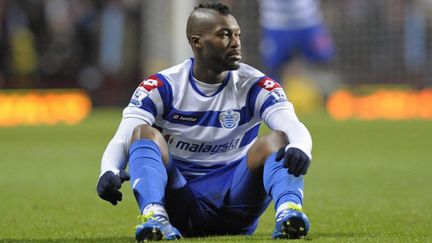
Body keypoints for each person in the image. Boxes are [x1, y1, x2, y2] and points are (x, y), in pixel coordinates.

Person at [96, 2, 312, 241]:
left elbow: (293, 126)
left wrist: (300, 148)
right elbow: (123, 137)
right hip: (182, 204)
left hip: (237, 204)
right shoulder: (162, 87)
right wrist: (108, 171)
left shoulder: (255, 85)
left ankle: (289, 213)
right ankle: (154, 217)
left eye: (237, 34)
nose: (235, 42)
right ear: (197, 41)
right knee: (143, 133)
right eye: (224, 35)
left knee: (280, 139)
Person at [259, 0, 335, 84]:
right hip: (275, 23)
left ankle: (328, 94)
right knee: (273, 68)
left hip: (308, 20)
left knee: (324, 61)